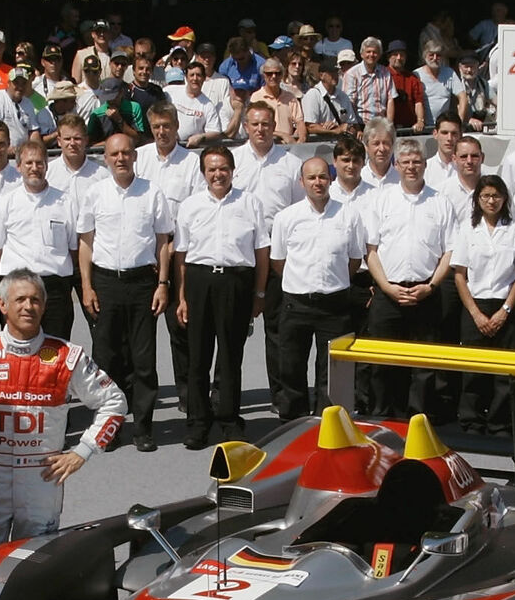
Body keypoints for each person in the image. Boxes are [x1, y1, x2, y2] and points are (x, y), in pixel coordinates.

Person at [0, 271, 128, 541]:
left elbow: (115, 402)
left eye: (35, 300)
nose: (28, 306)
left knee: (34, 563)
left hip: (41, 477)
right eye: (20, 299)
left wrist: (82, 452)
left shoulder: (67, 356)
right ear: (2, 304)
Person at [75, 131, 169, 450]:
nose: (120, 159)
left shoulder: (152, 193)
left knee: (143, 359)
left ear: (135, 156)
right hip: (105, 282)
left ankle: (142, 427)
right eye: (114, 154)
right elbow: (85, 244)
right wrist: (86, 286)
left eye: (126, 153)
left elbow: (162, 244)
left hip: (143, 283)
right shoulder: (95, 193)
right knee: (106, 358)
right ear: (106, 158)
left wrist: (162, 284)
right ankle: (109, 426)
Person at [442, 174, 515, 471]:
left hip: (507, 307)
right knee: (473, 371)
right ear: (478, 200)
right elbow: (459, 274)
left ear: (504, 199)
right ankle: (472, 422)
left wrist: (505, 310)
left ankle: (501, 424)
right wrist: (475, 313)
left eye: (496, 196)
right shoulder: (468, 230)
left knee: (506, 374)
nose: (491, 201)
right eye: (485, 196)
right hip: (475, 306)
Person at [172, 143, 268, 446]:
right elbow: (182, 256)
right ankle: (198, 423)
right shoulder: (190, 206)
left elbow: (261, 252)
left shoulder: (250, 203)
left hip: (236, 283)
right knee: (198, 357)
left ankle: (229, 420)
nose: (218, 174)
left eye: (223, 168)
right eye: (212, 169)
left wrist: (259, 294)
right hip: (200, 281)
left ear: (232, 171)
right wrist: (183, 297)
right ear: (203, 173)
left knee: (230, 356)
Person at [263, 155, 367, 425]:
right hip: (296, 304)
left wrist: (335, 279)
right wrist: (300, 282)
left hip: (335, 304)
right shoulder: (287, 218)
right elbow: (278, 261)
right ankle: (292, 422)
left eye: (322, 176)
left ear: (330, 179)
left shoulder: (348, 214)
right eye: (311, 177)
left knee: (330, 371)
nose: (317, 182)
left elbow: (355, 258)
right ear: (302, 181)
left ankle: (327, 423)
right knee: (291, 366)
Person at [359, 139, 457, 417]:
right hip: (388, 293)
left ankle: (418, 420)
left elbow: (450, 251)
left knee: (423, 365)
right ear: (397, 165)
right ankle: (383, 417)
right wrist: (386, 287)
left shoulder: (440, 202)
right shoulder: (381, 200)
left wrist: (431, 286)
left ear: (425, 165)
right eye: (406, 162)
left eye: (417, 162)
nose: (411, 167)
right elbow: (371, 250)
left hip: (426, 293)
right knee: (382, 362)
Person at [0, 138, 81, 338]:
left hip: (54, 290)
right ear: (18, 166)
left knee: (56, 350)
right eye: (28, 163)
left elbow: (73, 247)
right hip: (17, 287)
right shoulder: (5, 203)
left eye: (39, 163)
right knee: (18, 349)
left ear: (46, 166)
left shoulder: (66, 202)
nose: (34, 168)